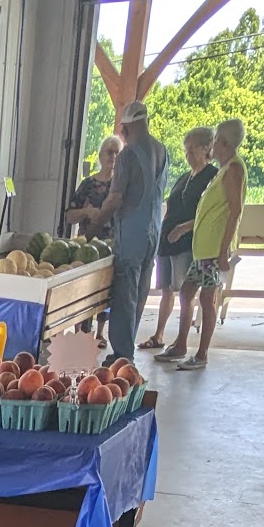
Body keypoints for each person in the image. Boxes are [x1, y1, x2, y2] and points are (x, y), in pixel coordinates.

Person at [82, 99, 168, 364]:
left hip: (131, 233)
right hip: (153, 231)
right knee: (140, 291)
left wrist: (92, 230)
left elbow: (115, 198)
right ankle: (127, 348)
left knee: (125, 293)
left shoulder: (128, 155)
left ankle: (122, 353)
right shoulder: (162, 151)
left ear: (125, 129)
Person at [165, 117, 246, 371]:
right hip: (203, 248)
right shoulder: (224, 169)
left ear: (224, 143)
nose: (212, 146)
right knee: (187, 291)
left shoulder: (233, 169)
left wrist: (223, 251)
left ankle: (202, 354)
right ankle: (180, 345)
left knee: (208, 298)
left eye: (216, 141)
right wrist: (185, 228)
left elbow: (234, 211)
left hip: (214, 250)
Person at [142, 127, 215, 352]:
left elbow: (208, 213)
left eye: (193, 149)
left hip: (187, 242)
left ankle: (181, 340)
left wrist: (183, 229)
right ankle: (159, 334)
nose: (188, 154)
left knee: (186, 291)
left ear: (206, 148)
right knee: (166, 289)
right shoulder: (184, 177)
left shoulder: (212, 177)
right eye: (186, 149)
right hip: (168, 241)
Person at [64, 135, 121, 236]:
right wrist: (85, 212)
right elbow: (69, 217)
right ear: (100, 156)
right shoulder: (87, 184)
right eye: (110, 152)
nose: (114, 156)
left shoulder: (122, 187)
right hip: (87, 243)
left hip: (113, 243)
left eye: (117, 153)